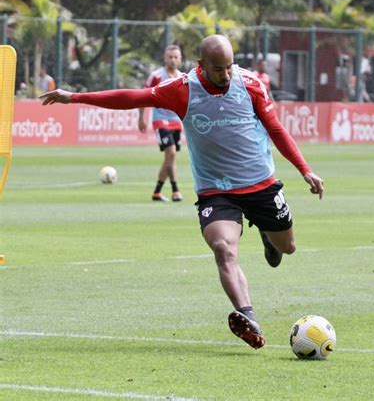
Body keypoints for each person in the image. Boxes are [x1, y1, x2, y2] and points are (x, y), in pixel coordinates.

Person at [40, 35, 324, 350]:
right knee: (223, 248)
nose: (226, 74)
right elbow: (132, 97)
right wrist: (75, 98)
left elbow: (276, 129)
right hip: (217, 191)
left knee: (288, 247)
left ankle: (269, 238)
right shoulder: (183, 89)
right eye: (218, 69)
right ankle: (249, 318)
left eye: (229, 66)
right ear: (200, 65)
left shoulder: (251, 84)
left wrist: (305, 169)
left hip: (261, 185)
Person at [138, 45, 184, 202]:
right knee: (170, 153)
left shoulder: (182, 77)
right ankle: (175, 190)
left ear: (180, 59)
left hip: (176, 121)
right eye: (170, 57)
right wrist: (141, 117)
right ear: (165, 58)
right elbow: (143, 96)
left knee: (170, 158)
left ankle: (157, 192)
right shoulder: (156, 76)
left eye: (175, 57)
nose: (172, 60)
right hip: (160, 120)